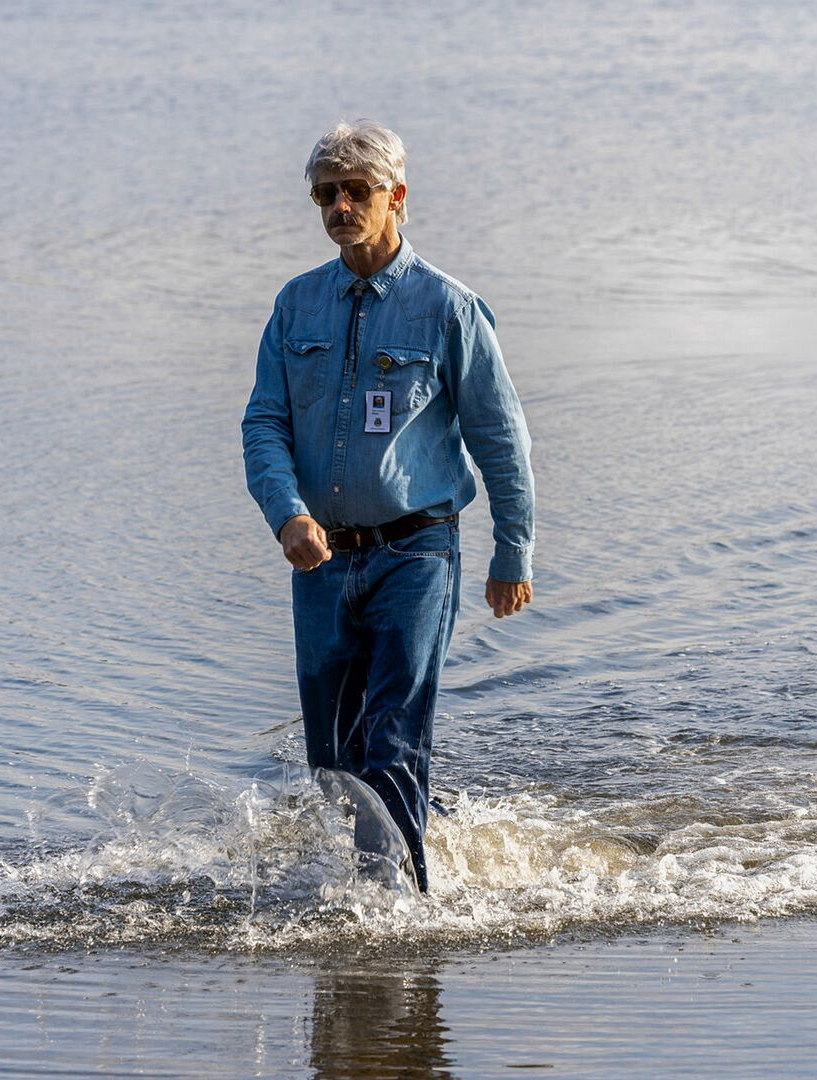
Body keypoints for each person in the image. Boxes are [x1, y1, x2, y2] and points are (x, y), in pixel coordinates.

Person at [241, 119, 535, 892]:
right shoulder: (296, 304)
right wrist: (286, 513)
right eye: (325, 193)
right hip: (322, 558)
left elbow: (501, 439)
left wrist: (513, 554)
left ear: (396, 196)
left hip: (418, 552)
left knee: (393, 737)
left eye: (356, 191)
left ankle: (399, 912)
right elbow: (264, 422)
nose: (340, 205)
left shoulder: (448, 308)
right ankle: (372, 877)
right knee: (332, 757)